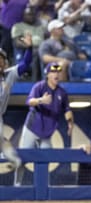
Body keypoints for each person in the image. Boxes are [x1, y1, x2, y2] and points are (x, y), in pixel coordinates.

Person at [14, 62, 75, 186]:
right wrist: (41, 100)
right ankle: (17, 186)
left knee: (45, 159)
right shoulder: (39, 86)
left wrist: (70, 122)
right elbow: (29, 101)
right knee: (22, 158)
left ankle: (43, 189)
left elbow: (67, 109)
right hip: (32, 128)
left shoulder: (62, 93)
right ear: (47, 74)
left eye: (58, 72)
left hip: (47, 133)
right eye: (53, 72)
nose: (56, 74)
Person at [0, 34, 33, 168]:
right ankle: (15, 159)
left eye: (1, 60)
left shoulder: (9, 74)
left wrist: (29, 48)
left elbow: (25, 64)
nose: (0, 62)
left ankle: (15, 160)